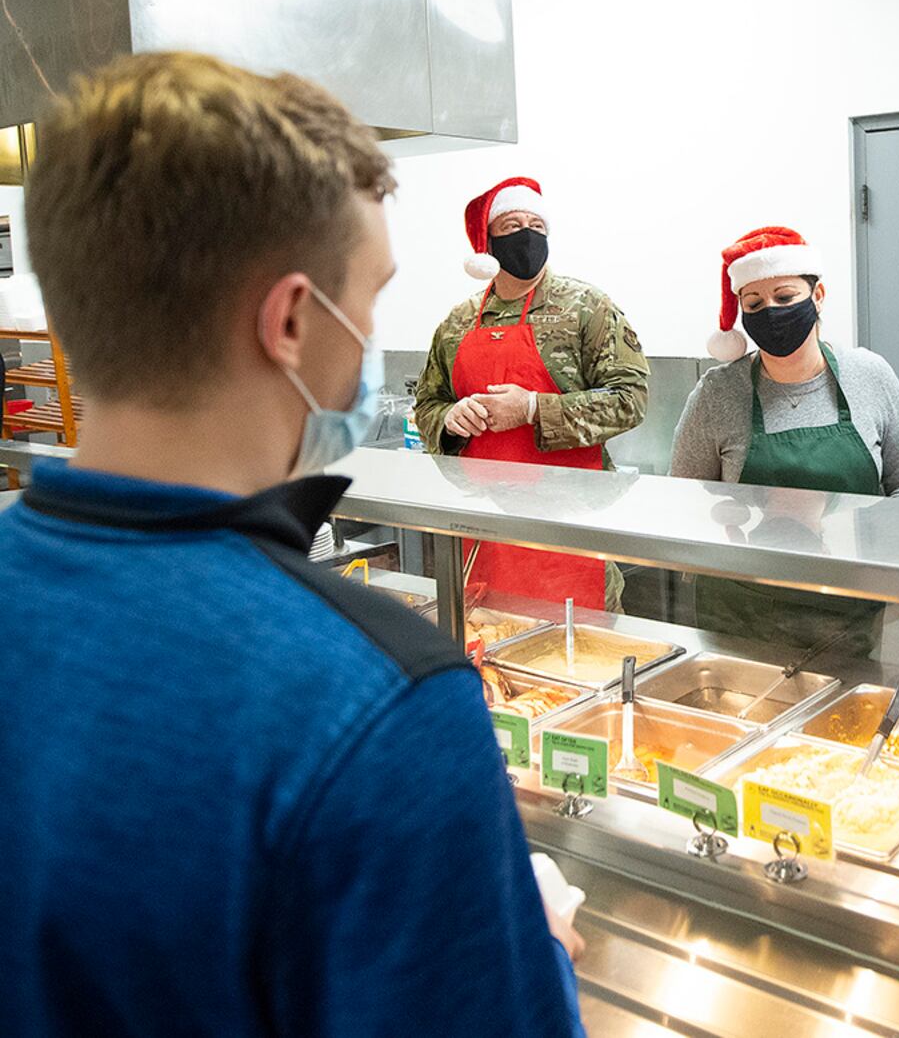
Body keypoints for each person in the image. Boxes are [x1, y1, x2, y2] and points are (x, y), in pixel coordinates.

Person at [0, 53, 583, 1036]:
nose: (369, 333)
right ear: (292, 318)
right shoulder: (382, 702)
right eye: (369, 294)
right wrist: (540, 948)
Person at [672, 226, 899, 655]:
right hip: (739, 610)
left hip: (846, 608)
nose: (770, 312)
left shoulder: (869, 376)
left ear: (818, 296)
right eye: (754, 303)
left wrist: (864, 527)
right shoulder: (718, 392)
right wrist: (739, 514)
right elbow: (680, 500)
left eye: (785, 296)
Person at [413, 178, 648, 613]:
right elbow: (427, 402)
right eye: (512, 224)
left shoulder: (587, 307)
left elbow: (631, 398)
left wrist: (533, 408)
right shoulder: (458, 322)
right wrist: (449, 419)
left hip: (572, 531)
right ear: (487, 243)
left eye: (537, 224)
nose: (528, 234)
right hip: (486, 534)